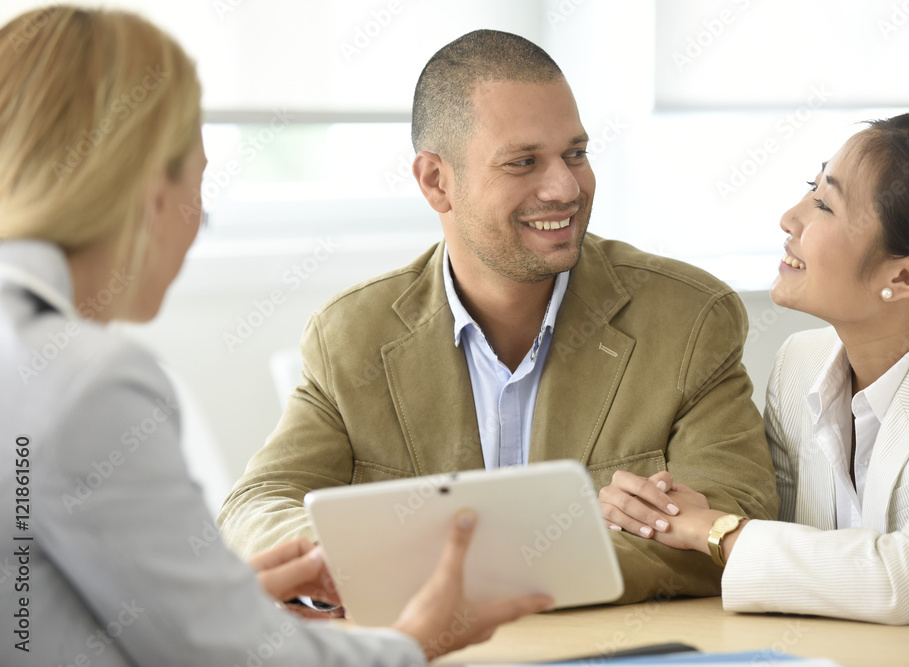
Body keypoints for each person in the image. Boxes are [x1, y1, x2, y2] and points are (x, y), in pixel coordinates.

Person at [0, 7, 552, 666]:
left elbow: (38, 621)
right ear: (150, 190)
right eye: (198, 184)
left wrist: (212, 604)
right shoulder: (90, 381)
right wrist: (411, 642)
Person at [218, 28, 779, 604]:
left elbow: (733, 519)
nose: (565, 187)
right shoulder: (353, 335)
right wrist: (367, 566)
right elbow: (258, 506)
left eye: (576, 154)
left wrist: (449, 575)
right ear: (437, 181)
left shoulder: (687, 319)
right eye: (522, 162)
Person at [598, 113, 909, 624]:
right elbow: (789, 555)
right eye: (811, 189)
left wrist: (714, 530)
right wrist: (665, 513)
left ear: (905, 275)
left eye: (826, 205)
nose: (790, 218)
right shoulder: (799, 363)